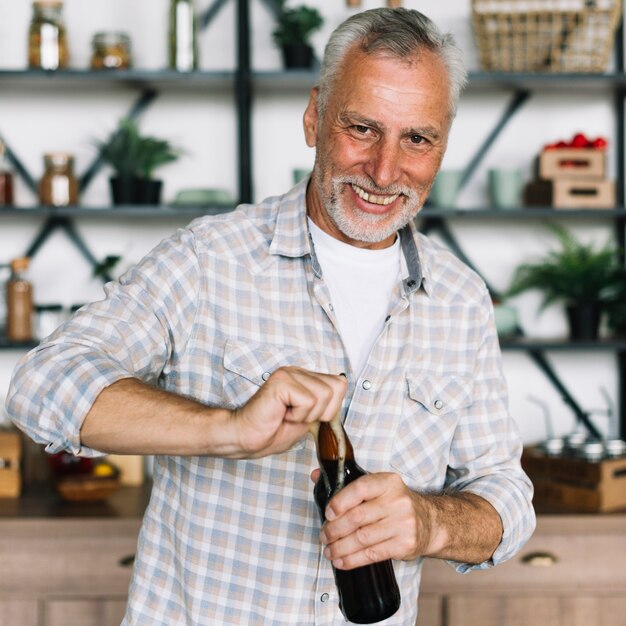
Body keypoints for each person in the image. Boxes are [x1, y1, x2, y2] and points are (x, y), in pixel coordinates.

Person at [6, 7, 535, 625]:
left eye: (417, 138)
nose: (386, 171)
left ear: (443, 143)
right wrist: (227, 429)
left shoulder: (461, 300)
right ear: (314, 116)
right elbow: (40, 385)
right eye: (362, 128)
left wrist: (428, 523)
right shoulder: (209, 258)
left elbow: (507, 495)